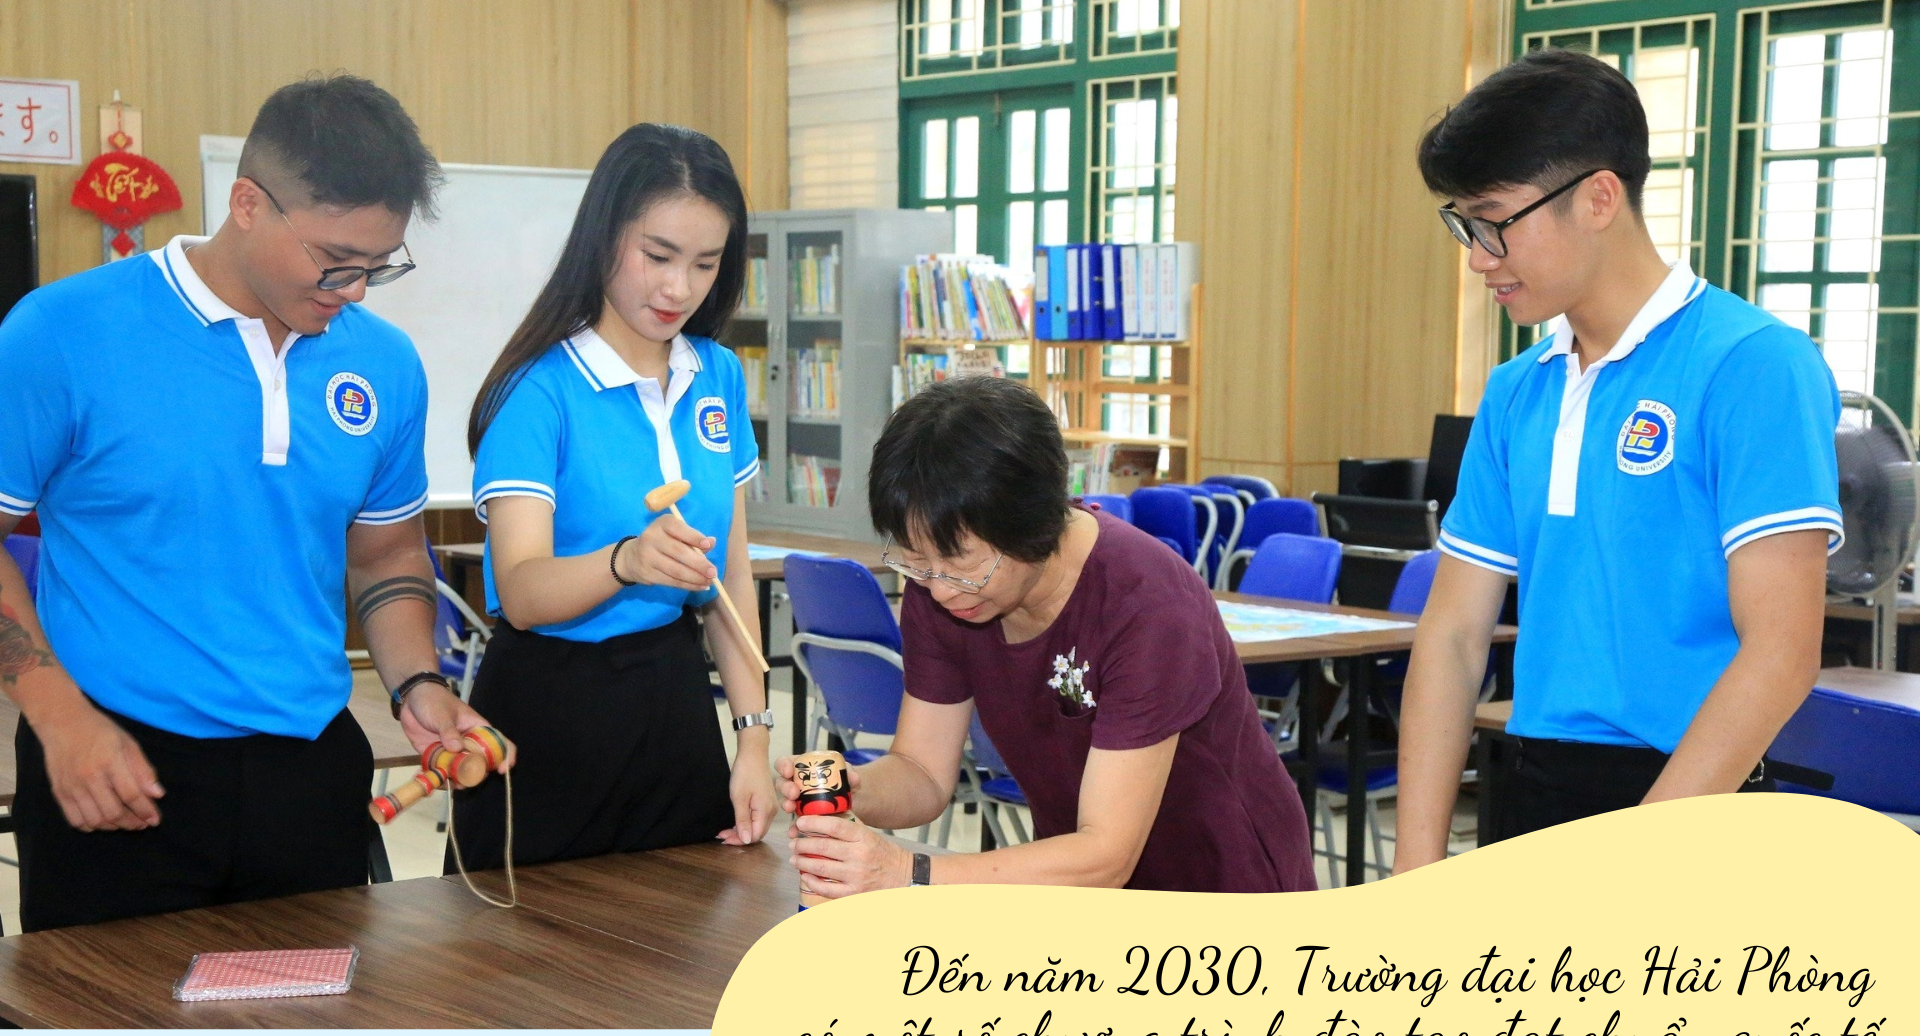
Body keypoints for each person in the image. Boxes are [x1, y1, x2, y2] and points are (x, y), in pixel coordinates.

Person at [0, 75, 508, 931]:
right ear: (246, 204)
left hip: (309, 771)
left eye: (378, 265)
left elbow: (384, 554)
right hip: (114, 766)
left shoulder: (384, 364)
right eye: (333, 258)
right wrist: (60, 719)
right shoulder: (61, 333)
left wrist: (417, 682)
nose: (354, 288)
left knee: (313, 1017)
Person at [1394, 50, 1842, 872]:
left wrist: (1635, 860)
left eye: (1495, 221)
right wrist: (1415, 862)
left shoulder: (1751, 364)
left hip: (1695, 802)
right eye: (1463, 225)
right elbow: (1454, 636)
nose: (1479, 256)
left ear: (1599, 198)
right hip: (1531, 787)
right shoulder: (1517, 390)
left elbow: (1781, 652)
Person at [775, 376, 1318, 895]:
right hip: (1074, 888)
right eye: (916, 560)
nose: (938, 588)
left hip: (1224, 893)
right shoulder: (946, 585)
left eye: (963, 562)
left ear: (1034, 523)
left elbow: (1105, 855)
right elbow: (923, 772)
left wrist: (906, 871)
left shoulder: (1145, 604)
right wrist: (855, 787)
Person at [455, 123, 773, 868]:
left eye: (705, 263)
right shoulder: (538, 390)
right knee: (531, 937)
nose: (678, 288)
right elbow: (521, 592)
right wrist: (626, 561)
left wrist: (753, 740)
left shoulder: (718, 376)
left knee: (691, 924)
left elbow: (729, 578)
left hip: (674, 703)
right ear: (603, 238)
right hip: (549, 713)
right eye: (658, 256)